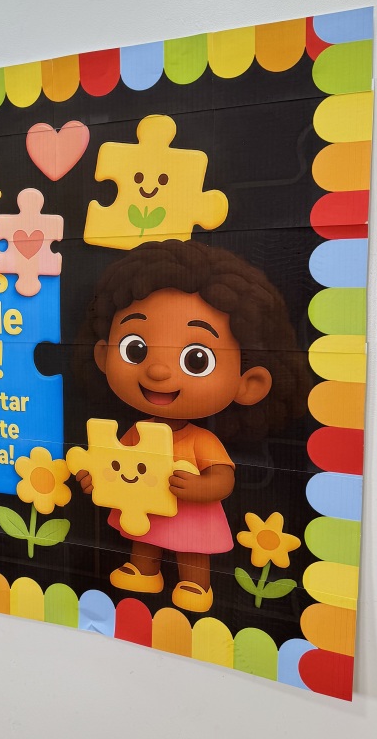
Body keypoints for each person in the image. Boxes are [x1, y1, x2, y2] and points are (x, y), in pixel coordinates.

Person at [75, 240, 307, 611]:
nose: (158, 370)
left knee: (192, 548)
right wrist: (95, 477)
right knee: (143, 536)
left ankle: (196, 584)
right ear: (103, 356)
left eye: (196, 359)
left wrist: (200, 487)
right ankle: (143, 569)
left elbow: (223, 478)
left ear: (248, 383)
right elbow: (114, 462)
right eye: (136, 348)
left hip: (190, 513)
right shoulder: (137, 431)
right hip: (143, 509)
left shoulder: (201, 440)